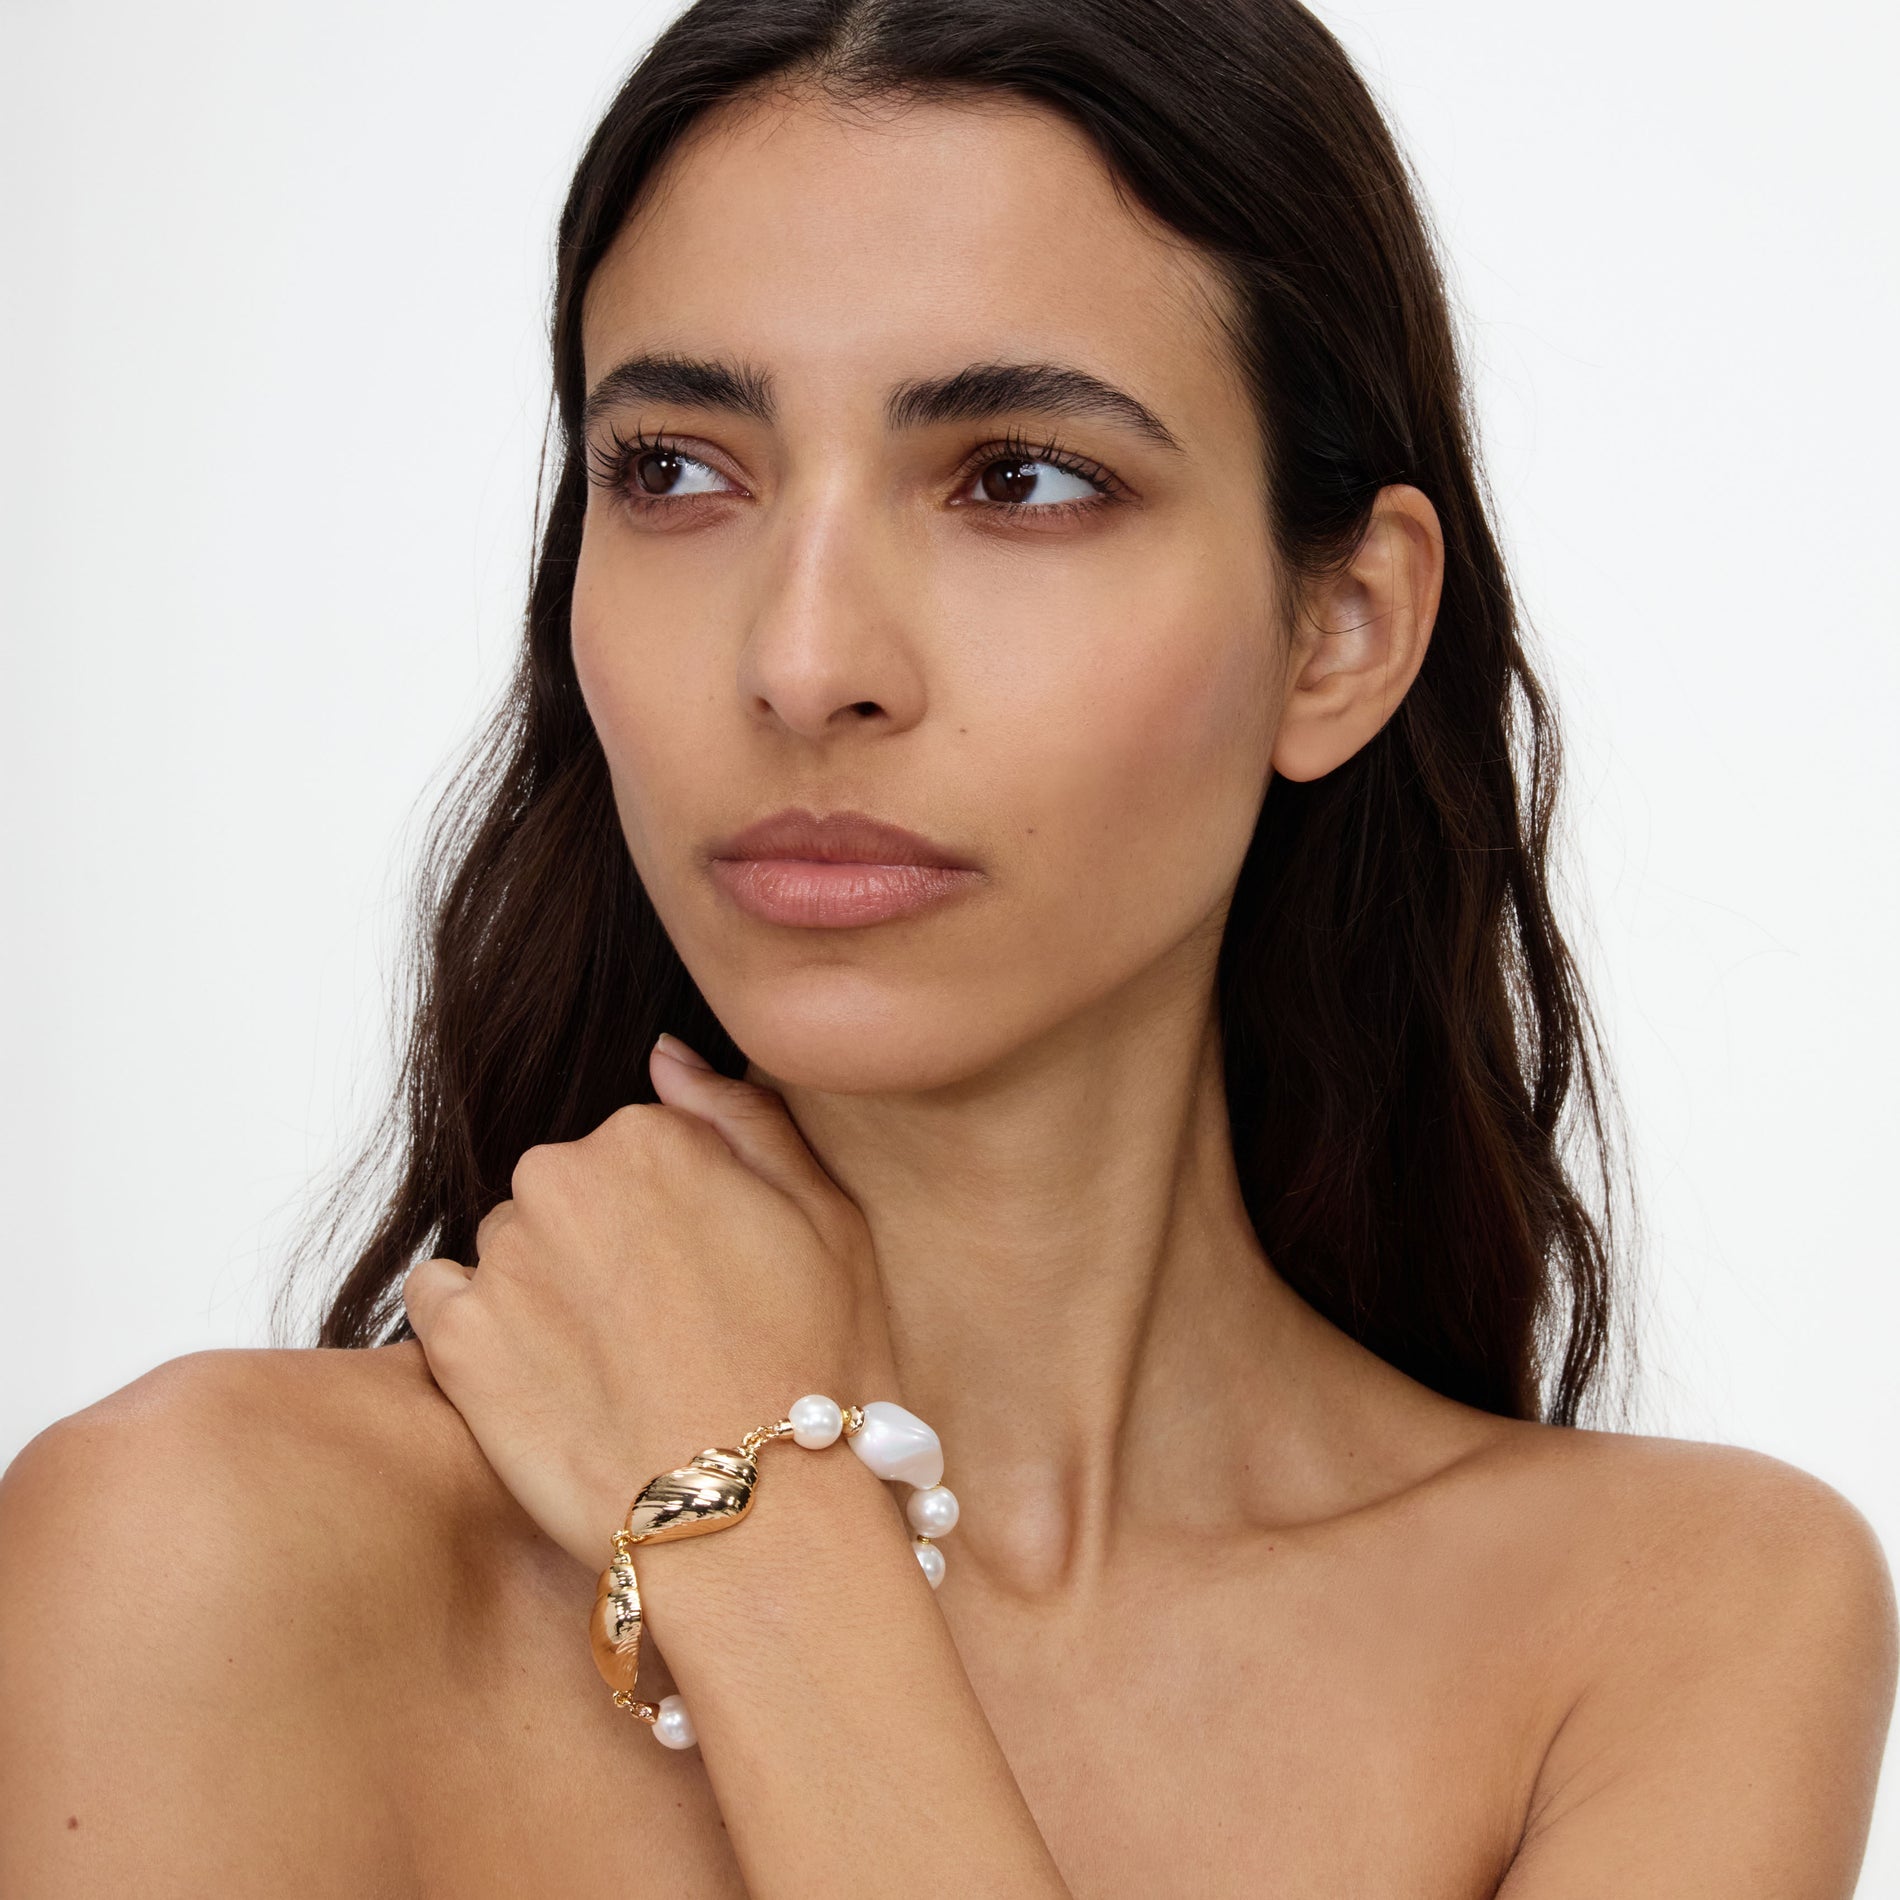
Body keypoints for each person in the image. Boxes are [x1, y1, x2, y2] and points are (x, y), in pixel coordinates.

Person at [2, 0, 1894, 1891]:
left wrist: (765, 1540)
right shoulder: (209, 1557)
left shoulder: (1671, 1622)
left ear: (1344, 631)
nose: (804, 661)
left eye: (1019, 479)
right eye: (675, 468)